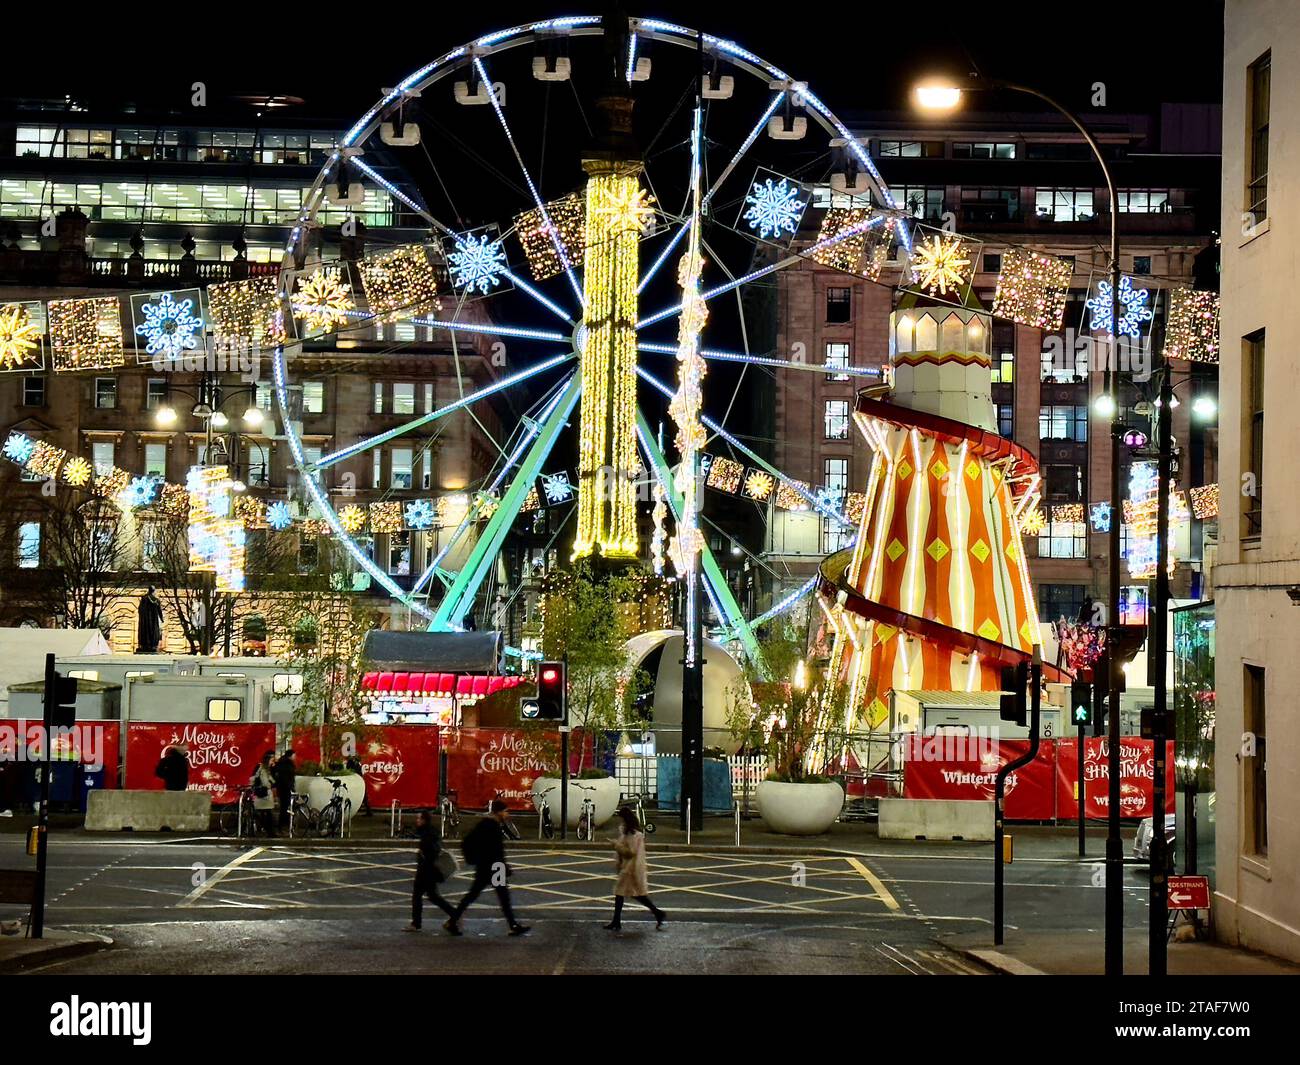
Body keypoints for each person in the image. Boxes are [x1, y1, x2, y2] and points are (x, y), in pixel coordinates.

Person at [448, 799, 529, 936]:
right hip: (492, 867)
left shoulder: (488, 824)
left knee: (481, 896)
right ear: (498, 812)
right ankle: (513, 925)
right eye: (505, 811)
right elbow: (496, 851)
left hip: (487, 866)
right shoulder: (491, 826)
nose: (507, 814)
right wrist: (503, 867)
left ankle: (452, 921)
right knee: (499, 897)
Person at [605, 805, 666, 932]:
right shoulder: (629, 832)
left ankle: (617, 921)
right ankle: (656, 913)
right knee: (630, 894)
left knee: (624, 894)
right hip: (629, 868)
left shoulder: (633, 834)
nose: (620, 821)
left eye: (621, 819)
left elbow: (630, 852)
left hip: (630, 869)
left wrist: (616, 845)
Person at [405, 810, 457, 932]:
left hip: (426, 871)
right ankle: (454, 914)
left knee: (419, 896)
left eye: (418, 819)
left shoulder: (428, 833)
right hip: (428, 870)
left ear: (424, 820)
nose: (416, 821)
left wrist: (423, 858)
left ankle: (416, 923)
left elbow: (430, 851)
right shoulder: (430, 831)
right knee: (433, 896)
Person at [250, 751, 277, 837]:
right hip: (263, 794)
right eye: (272, 760)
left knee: (265, 813)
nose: (273, 762)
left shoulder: (267, 769)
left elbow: (273, 780)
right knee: (265, 813)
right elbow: (265, 782)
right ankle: (268, 831)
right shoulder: (262, 768)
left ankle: (268, 831)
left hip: (263, 794)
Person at [273, 749, 296, 829]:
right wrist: (291, 786)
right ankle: (283, 824)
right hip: (285, 788)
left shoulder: (281, 763)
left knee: (284, 807)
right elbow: (287, 777)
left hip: (281, 788)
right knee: (284, 807)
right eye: (294, 755)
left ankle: (283, 824)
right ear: (290, 755)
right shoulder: (287, 764)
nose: (295, 757)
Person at [137, 586, 165, 653]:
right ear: (154, 591)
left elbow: (140, 609)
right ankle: (152, 645)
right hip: (153, 619)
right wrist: (161, 618)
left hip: (146, 620)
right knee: (153, 631)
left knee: (146, 632)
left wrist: (142, 616)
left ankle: (145, 645)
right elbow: (159, 611)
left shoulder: (144, 599)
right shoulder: (156, 600)